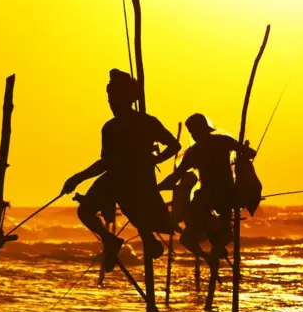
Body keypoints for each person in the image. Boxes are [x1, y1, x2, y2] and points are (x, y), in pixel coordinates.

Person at [62, 69, 181, 272]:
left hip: (139, 180)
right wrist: (77, 178)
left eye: (115, 99)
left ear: (127, 99)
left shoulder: (147, 122)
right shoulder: (110, 127)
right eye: (109, 100)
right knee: (85, 211)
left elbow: (174, 146)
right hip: (115, 179)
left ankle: (149, 241)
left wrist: (153, 160)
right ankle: (110, 240)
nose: (112, 104)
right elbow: (105, 162)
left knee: (138, 211)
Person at [159, 113, 256, 264]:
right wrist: (241, 156)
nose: (194, 135)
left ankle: (220, 237)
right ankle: (219, 239)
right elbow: (250, 153)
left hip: (210, 196)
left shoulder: (195, 152)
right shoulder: (222, 141)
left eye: (194, 131)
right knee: (195, 228)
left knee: (193, 215)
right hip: (227, 194)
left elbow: (175, 177)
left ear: (201, 130)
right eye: (191, 132)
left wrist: (157, 187)